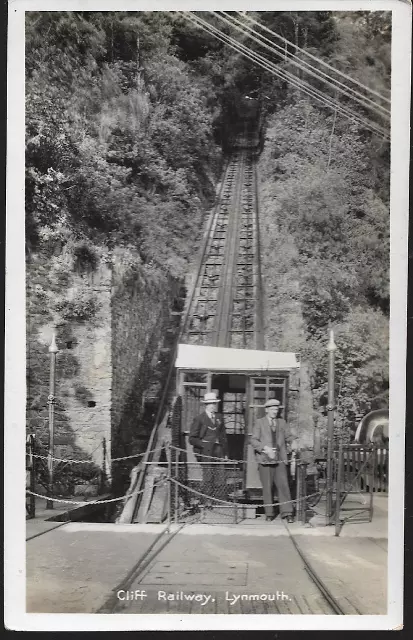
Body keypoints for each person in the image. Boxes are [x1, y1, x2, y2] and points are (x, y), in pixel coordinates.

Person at [250, 398, 294, 522]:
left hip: (280, 458)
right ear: (267, 410)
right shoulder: (259, 423)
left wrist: (293, 442)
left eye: (276, 409)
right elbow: (253, 440)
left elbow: (288, 436)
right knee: (267, 487)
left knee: (283, 485)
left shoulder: (282, 422)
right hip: (264, 459)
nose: (275, 411)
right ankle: (269, 513)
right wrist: (265, 448)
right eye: (273, 409)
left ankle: (287, 512)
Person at [189, 392, 228, 507]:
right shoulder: (199, 419)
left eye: (214, 403)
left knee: (220, 476)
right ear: (206, 405)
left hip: (219, 451)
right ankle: (207, 501)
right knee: (208, 476)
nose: (212, 405)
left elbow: (223, 437)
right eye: (210, 403)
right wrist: (202, 444)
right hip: (206, 452)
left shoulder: (219, 417)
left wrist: (226, 453)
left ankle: (219, 500)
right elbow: (191, 439)